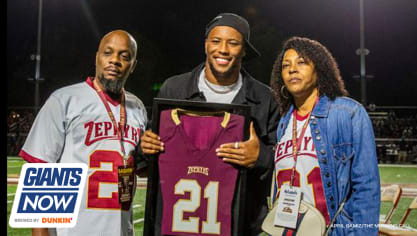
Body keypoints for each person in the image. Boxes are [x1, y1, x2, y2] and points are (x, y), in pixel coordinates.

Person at [140, 13, 280, 235]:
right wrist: (146, 146)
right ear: (206, 45)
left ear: (244, 50)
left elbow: (283, 162)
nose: (223, 49)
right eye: (216, 41)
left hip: (238, 223)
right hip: (176, 223)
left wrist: (260, 156)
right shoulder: (174, 89)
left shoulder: (265, 98)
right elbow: (151, 152)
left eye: (233, 43)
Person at [19, 30, 147, 236]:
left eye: (124, 56)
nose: (114, 60)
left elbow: (141, 167)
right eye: (108, 53)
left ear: (133, 65)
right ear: (97, 57)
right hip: (72, 230)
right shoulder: (65, 99)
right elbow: (41, 171)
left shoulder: (137, 107)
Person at [270, 36, 380, 235]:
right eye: (286, 65)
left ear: (319, 69)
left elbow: (367, 188)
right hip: (288, 230)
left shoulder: (348, 113)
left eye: (301, 62)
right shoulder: (284, 122)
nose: (292, 69)